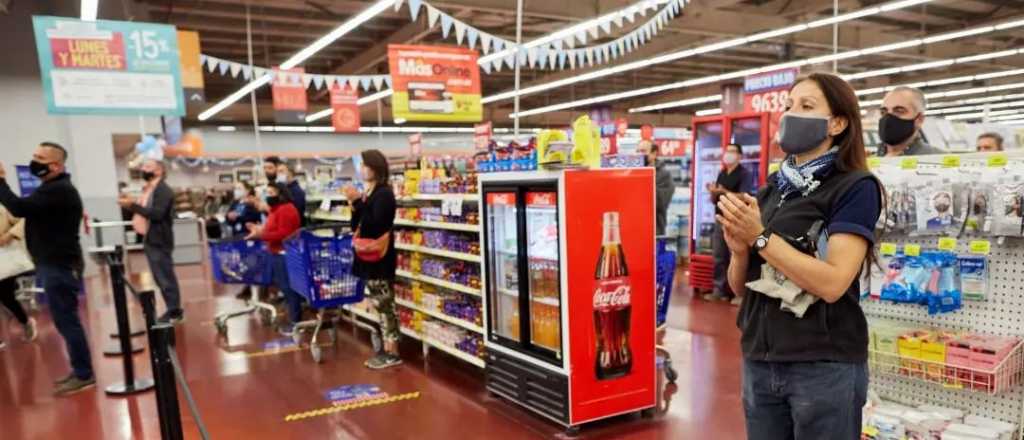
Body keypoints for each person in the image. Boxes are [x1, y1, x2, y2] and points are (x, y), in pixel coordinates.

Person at [717, 73, 881, 439]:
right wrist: (739, 251)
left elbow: (835, 283)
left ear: (837, 123)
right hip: (760, 359)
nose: (792, 114)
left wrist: (759, 238)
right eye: (789, 105)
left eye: (807, 106)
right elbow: (740, 288)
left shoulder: (855, 187)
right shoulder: (773, 189)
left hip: (823, 365)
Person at [0, 142, 95, 396]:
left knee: (68, 321)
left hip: (60, 266)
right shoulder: (51, 188)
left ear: (55, 165)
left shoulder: (59, 190)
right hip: (53, 264)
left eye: (40, 157)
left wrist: (1, 182)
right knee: (65, 321)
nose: (34, 161)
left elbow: (19, 208)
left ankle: (84, 374)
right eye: (34, 155)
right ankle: (80, 371)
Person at [344, 149, 399, 370]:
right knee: (380, 304)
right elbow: (358, 225)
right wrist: (354, 203)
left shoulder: (384, 193)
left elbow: (377, 224)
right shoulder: (371, 191)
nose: (361, 169)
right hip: (368, 258)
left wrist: (358, 202)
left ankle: (392, 352)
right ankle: (387, 348)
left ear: (375, 167)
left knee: (385, 306)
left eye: (364, 164)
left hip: (380, 259)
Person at [119, 160, 184, 324]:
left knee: (165, 276)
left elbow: (156, 214)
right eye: (143, 167)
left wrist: (132, 205)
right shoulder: (150, 190)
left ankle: (174, 310)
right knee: (159, 276)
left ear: (159, 170)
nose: (143, 169)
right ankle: (172, 308)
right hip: (151, 237)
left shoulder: (163, 190)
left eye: (147, 167)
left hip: (160, 240)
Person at [246, 182, 303, 335]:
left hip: (284, 254)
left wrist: (261, 235)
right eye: (267, 192)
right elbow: (273, 229)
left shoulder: (286, 209)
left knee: (289, 289)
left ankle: (296, 322)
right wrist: (259, 229)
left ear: (281, 194)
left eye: (271, 193)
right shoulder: (276, 209)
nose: (268, 196)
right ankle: (294, 318)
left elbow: (285, 234)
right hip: (276, 253)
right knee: (285, 287)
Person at [706, 143, 750, 305]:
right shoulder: (722, 173)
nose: (728, 154)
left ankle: (738, 293)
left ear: (739, 156)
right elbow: (714, 200)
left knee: (736, 256)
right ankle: (719, 290)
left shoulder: (744, 174)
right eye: (727, 151)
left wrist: (724, 192)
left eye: (732, 151)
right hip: (720, 219)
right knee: (718, 256)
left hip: (736, 220)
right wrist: (713, 193)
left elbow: (744, 197)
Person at [0, 204, 38, 349]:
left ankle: (25, 321)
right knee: (5, 296)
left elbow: (22, 220)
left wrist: (9, 235)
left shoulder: (3, 206)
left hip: (5, 258)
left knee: (6, 295)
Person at [877, 86, 945, 156]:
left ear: (919, 120)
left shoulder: (939, 160)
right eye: (883, 112)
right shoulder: (870, 159)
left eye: (899, 111)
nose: (888, 117)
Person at [638, 140, 675, 236]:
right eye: (637, 151)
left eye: (643, 151)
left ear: (654, 154)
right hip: (635, 227)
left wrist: (642, 183)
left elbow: (660, 202)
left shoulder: (664, 175)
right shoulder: (634, 173)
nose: (639, 155)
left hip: (655, 230)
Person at [277, 161, 307, 226]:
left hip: (294, 230)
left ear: (290, 172)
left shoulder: (297, 191)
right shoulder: (284, 189)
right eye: (278, 172)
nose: (278, 174)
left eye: (281, 171)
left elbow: (297, 214)